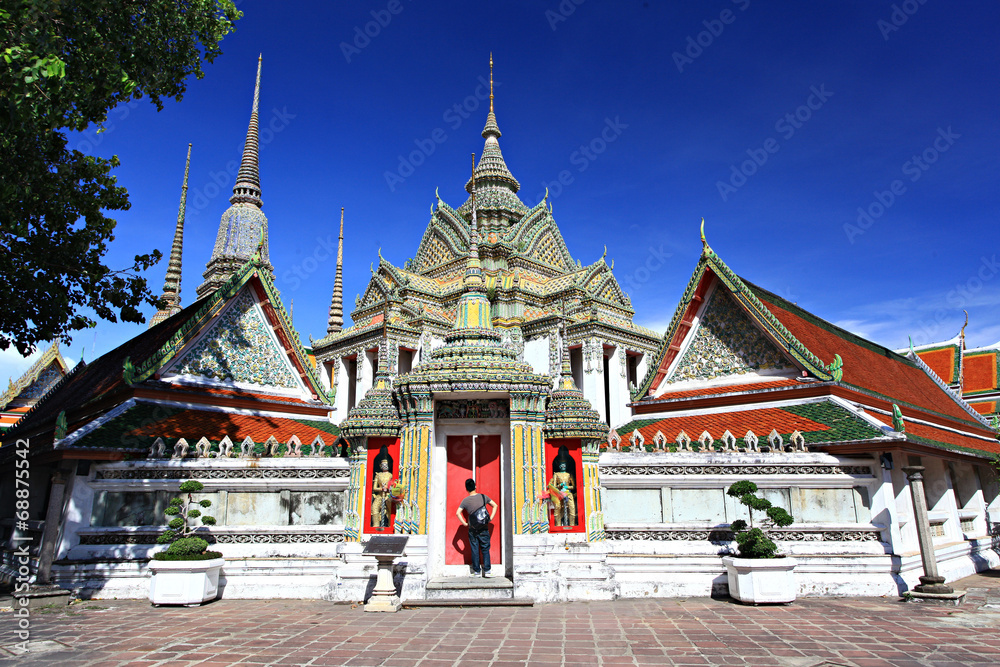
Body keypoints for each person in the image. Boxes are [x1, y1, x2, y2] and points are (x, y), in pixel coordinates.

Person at [457, 478, 498, 577]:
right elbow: (495, 505)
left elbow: (458, 513)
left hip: (472, 529)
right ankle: (487, 571)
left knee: (474, 549)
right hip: (483, 527)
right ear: (475, 486)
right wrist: (490, 518)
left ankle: (477, 572)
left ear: (466, 489)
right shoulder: (483, 497)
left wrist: (465, 523)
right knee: (485, 548)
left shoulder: (465, 501)